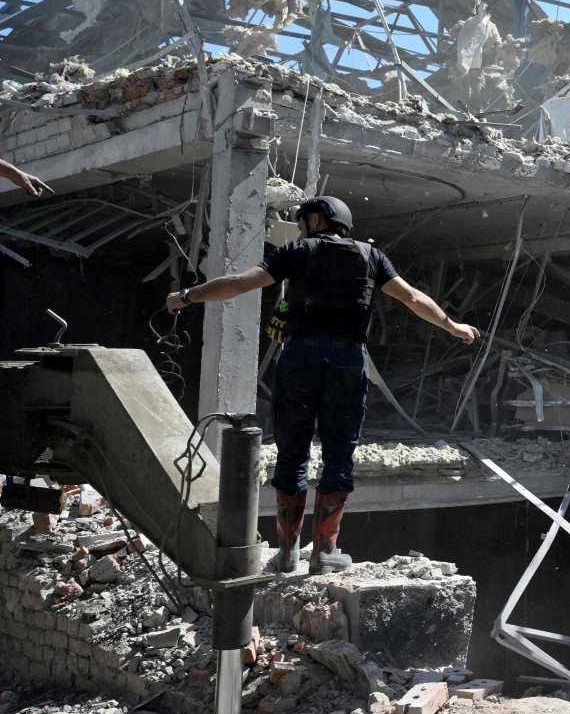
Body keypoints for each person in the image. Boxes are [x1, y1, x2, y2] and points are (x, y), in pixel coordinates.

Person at [166, 196, 479, 572]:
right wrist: (453, 326)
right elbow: (412, 298)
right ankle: (325, 554)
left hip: (299, 361)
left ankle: (286, 554)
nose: (300, 229)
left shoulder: (297, 251)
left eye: (302, 222)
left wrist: (186, 296)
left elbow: (237, 284)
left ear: (317, 219)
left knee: (292, 453)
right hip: (346, 363)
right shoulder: (371, 257)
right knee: (338, 454)